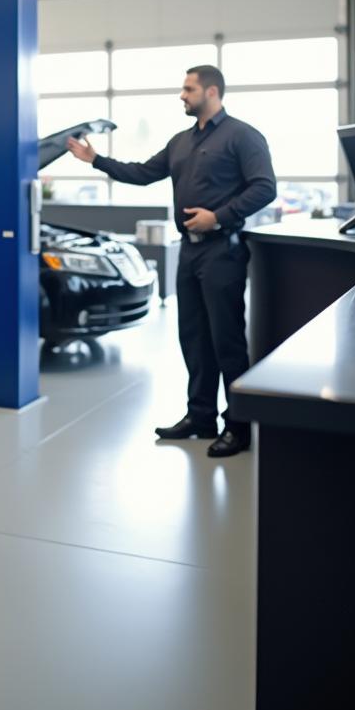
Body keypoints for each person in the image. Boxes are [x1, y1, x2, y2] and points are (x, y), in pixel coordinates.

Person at [67, 65, 276, 457]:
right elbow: (144, 173)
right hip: (190, 251)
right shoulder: (180, 141)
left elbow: (265, 187)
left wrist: (219, 216)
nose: (182, 95)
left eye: (188, 88)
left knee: (226, 341)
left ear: (212, 92)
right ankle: (200, 417)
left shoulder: (243, 136)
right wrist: (95, 160)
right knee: (193, 338)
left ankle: (239, 426)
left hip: (222, 251)